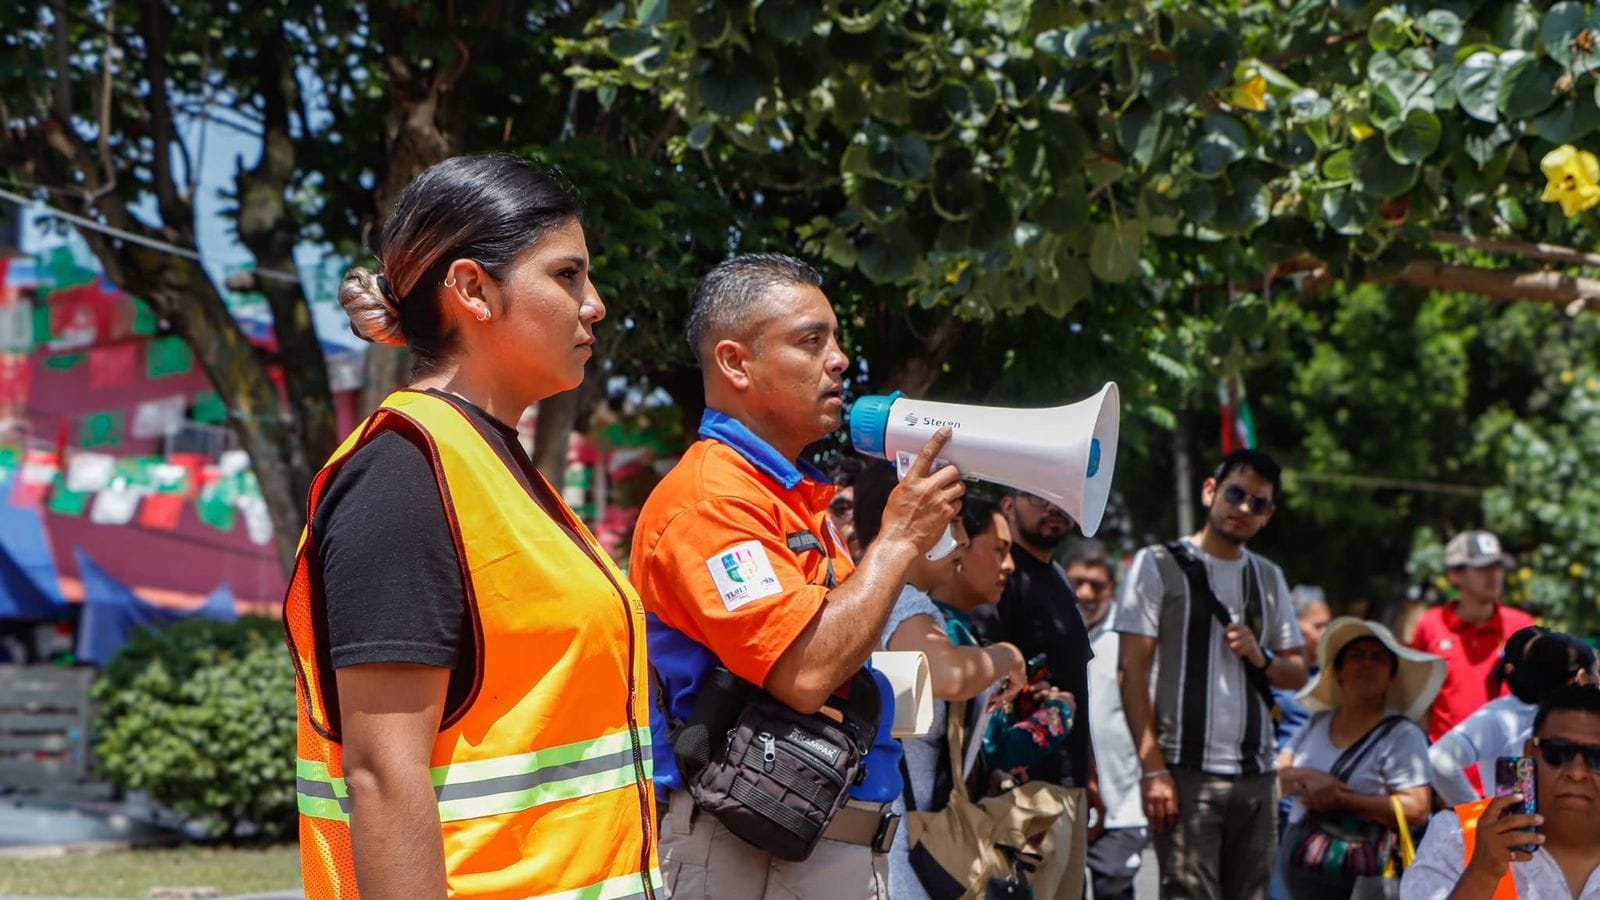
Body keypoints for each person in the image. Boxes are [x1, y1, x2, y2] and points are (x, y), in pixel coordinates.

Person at [282, 155, 659, 898]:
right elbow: (384, 776)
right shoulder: (404, 473)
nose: (597, 305)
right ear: (472, 290)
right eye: (568, 275)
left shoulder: (493, 463)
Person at [631, 253, 963, 898]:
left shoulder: (783, 492)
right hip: (752, 853)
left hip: (801, 846)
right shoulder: (713, 502)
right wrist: (896, 542)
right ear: (734, 362)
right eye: (812, 342)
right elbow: (806, 673)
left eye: (835, 340)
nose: (838, 360)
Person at [1115, 448, 1309, 900]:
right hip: (1185, 772)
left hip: (1258, 776)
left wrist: (1262, 658)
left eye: (1258, 503)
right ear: (1210, 491)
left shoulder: (1268, 577)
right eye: (1236, 494)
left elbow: (1298, 674)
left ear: (1268, 515)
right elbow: (1132, 671)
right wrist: (1153, 770)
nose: (1243, 508)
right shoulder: (1156, 564)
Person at [856, 466, 1027, 900]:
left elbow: (902, 722)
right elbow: (951, 676)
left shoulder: (865, 594)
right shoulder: (906, 601)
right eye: (952, 521)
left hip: (882, 842)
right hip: (897, 855)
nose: (963, 540)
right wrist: (1007, 656)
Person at [968, 489, 1103, 900]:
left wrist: (1090, 775)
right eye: (1038, 497)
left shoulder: (1060, 577)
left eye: (1061, 497)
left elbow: (1074, 681)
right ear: (1008, 505)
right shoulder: (1002, 582)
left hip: (1069, 788)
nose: (1053, 507)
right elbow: (984, 690)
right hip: (1019, 793)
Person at [1275, 618, 1442, 899]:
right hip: (1297, 868)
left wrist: (1343, 799)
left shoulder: (1402, 735)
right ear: (1338, 671)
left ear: (1391, 675)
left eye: (1378, 658)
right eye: (1357, 655)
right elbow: (1277, 778)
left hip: (1366, 877)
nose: (1367, 663)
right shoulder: (1316, 722)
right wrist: (1311, 780)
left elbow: (1417, 809)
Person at [1402, 683, 1600, 898]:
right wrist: (1482, 873)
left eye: (1597, 757)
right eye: (1558, 752)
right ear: (1529, 754)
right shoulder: (1457, 834)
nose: (1577, 773)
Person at [1430, 629, 1600, 807]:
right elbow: (1520, 813)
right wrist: (1478, 819)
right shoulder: (1512, 724)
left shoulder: (1515, 723)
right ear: (1581, 677)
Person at [1068, 539, 1150, 900]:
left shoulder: (1131, 641)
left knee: (1112, 889)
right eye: (1077, 582)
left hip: (1123, 804)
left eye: (1096, 585)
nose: (1086, 593)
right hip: (1068, 801)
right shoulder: (1054, 631)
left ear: (1111, 589)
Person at [1409, 530, 1537, 742]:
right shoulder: (1430, 625)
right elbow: (1418, 700)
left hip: (1511, 767)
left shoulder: (1523, 626)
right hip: (1447, 767)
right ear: (1455, 574)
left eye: (1497, 566)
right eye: (1482, 568)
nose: (1494, 575)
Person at [1277, 586, 1334, 752]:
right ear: (1294, 625)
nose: (1326, 632)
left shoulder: (1337, 674)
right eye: (1318, 626)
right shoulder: (1274, 669)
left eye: (1328, 625)